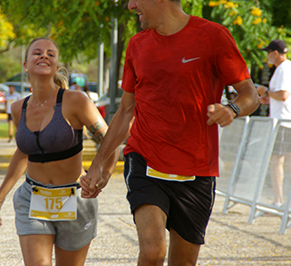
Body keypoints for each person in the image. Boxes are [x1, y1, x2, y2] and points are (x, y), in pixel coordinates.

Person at [80, 0, 260, 265]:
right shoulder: (137, 45)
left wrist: (232, 109)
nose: (130, 5)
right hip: (145, 160)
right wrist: (98, 165)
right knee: (153, 251)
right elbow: (125, 112)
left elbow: (251, 95)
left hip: (197, 167)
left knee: (183, 262)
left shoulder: (213, 36)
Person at [0, 37, 119, 265]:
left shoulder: (76, 101)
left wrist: (103, 175)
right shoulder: (18, 108)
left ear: (57, 66)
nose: (44, 55)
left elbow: (110, 141)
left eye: (50, 53)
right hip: (33, 197)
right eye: (37, 52)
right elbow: (23, 152)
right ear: (25, 64)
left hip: (74, 198)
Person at [257, 39, 291, 207]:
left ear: (275, 53)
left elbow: (283, 95)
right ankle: (281, 201)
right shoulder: (283, 69)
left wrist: (265, 91)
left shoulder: (284, 69)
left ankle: (279, 201)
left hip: (283, 122)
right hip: (283, 120)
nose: (267, 56)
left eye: (268, 52)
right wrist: (268, 98)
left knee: (276, 161)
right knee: (281, 162)